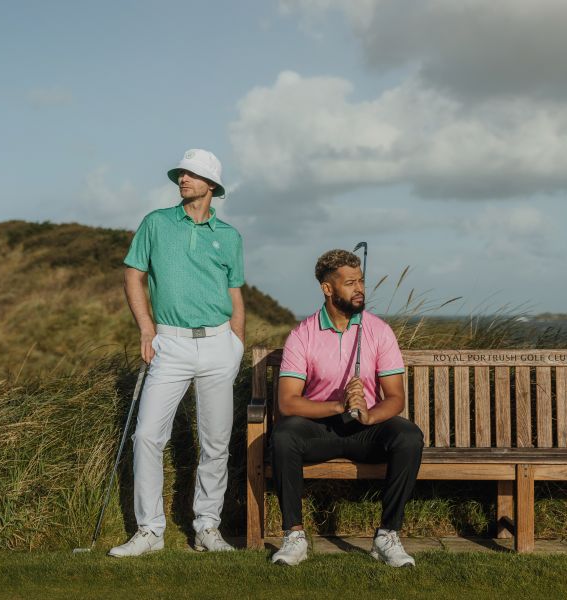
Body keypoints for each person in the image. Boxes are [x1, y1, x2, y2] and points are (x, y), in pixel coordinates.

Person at [109, 149, 245, 557]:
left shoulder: (230, 236)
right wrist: (146, 328)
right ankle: (150, 531)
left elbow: (235, 293)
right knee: (147, 436)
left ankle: (207, 527)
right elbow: (133, 274)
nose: (183, 179)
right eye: (182, 173)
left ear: (211, 185)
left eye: (193, 174)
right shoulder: (156, 223)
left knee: (216, 442)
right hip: (170, 343)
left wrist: (236, 344)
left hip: (219, 344)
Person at [270, 249, 424, 567]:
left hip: (365, 428)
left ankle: (387, 535)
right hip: (320, 428)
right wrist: (338, 405)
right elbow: (288, 402)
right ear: (328, 288)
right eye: (350, 283)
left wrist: (370, 415)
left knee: (409, 436)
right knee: (284, 435)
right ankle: (294, 536)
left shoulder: (378, 330)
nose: (359, 289)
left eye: (361, 281)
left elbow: (395, 397)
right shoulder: (302, 334)